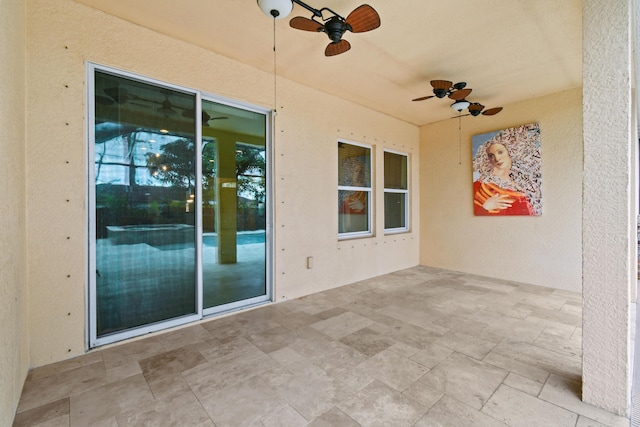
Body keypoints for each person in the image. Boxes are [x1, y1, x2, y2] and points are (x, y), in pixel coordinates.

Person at [472, 123, 541, 216]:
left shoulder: (521, 187)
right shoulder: (479, 185)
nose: (497, 158)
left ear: (510, 152)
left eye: (500, 152)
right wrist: (486, 207)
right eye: (491, 156)